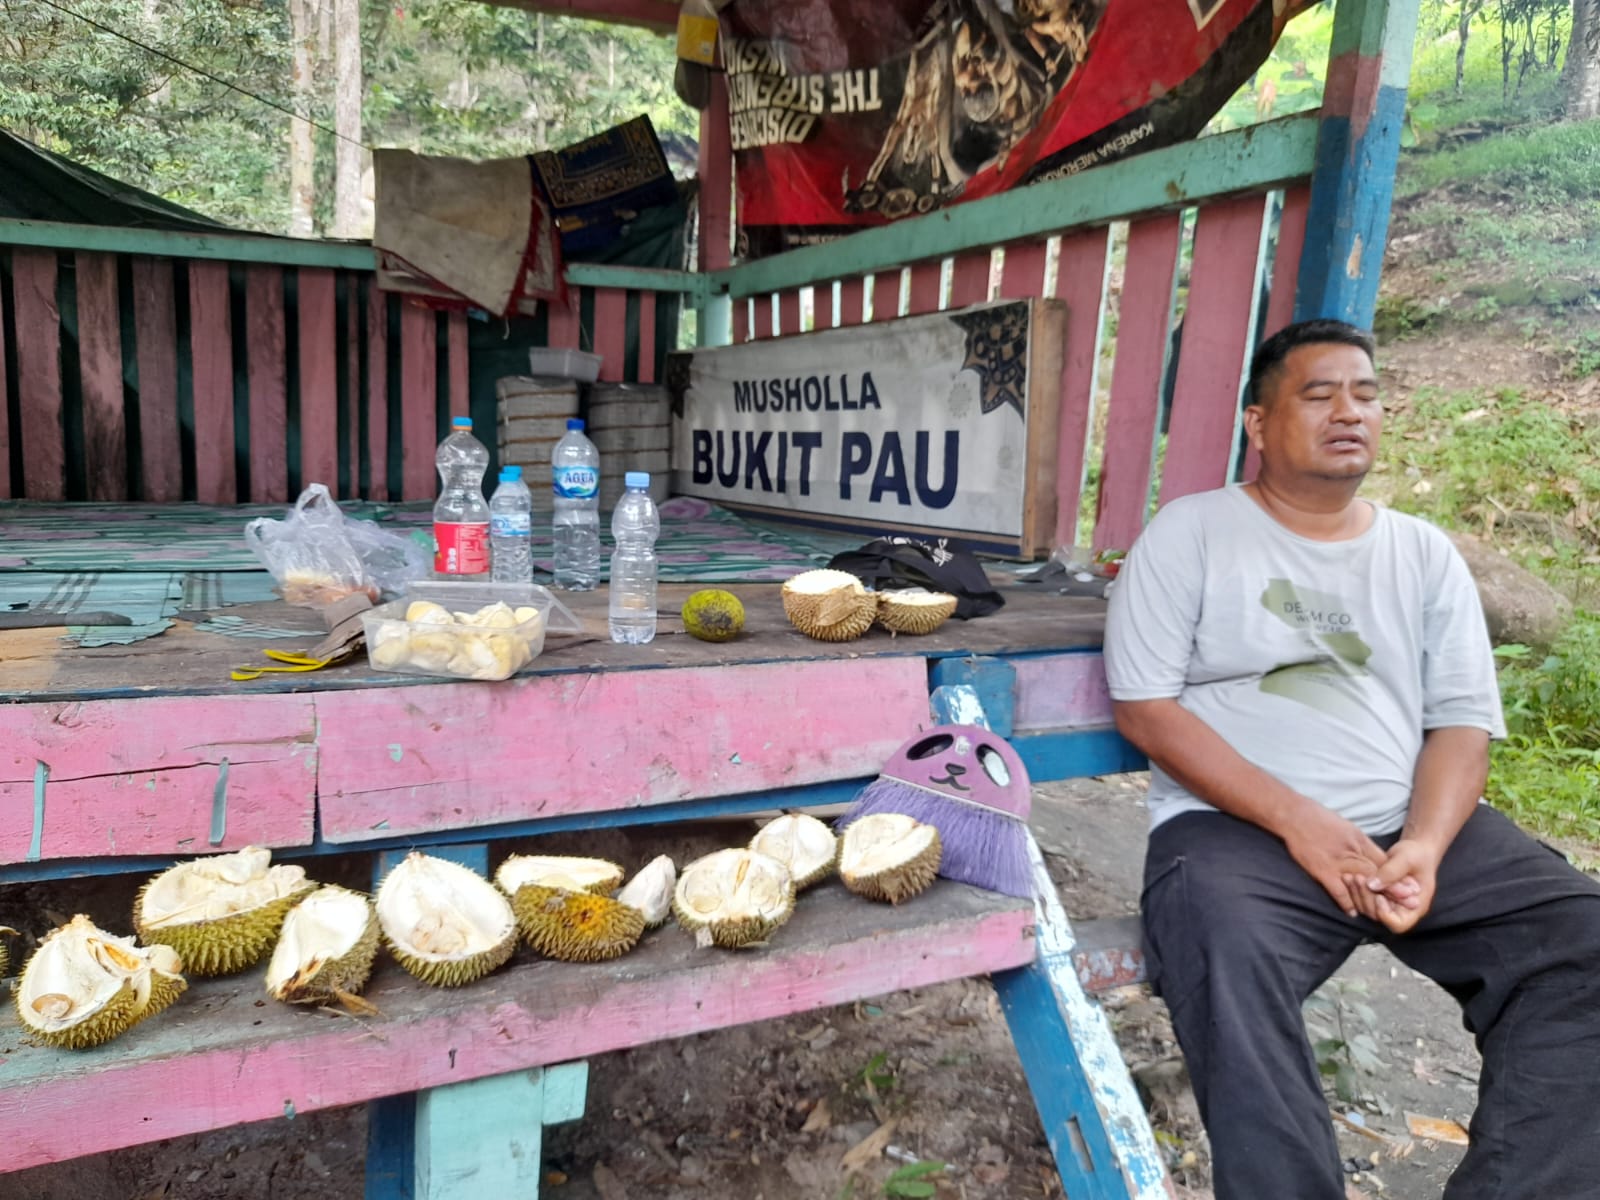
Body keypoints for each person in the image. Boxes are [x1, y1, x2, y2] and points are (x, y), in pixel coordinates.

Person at [1103, 318, 1600, 1200]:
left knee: (1584, 942)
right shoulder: (1192, 534)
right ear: (1259, 424)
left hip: (1404, 825)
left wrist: (1428, 844)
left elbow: (1460, 727)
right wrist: (1301, 823)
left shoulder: (1423, 553)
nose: (1350, 412)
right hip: (1236, 834)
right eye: (1319, 392)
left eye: (1366, 394)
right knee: (1225, 963)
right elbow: (1145, 707)